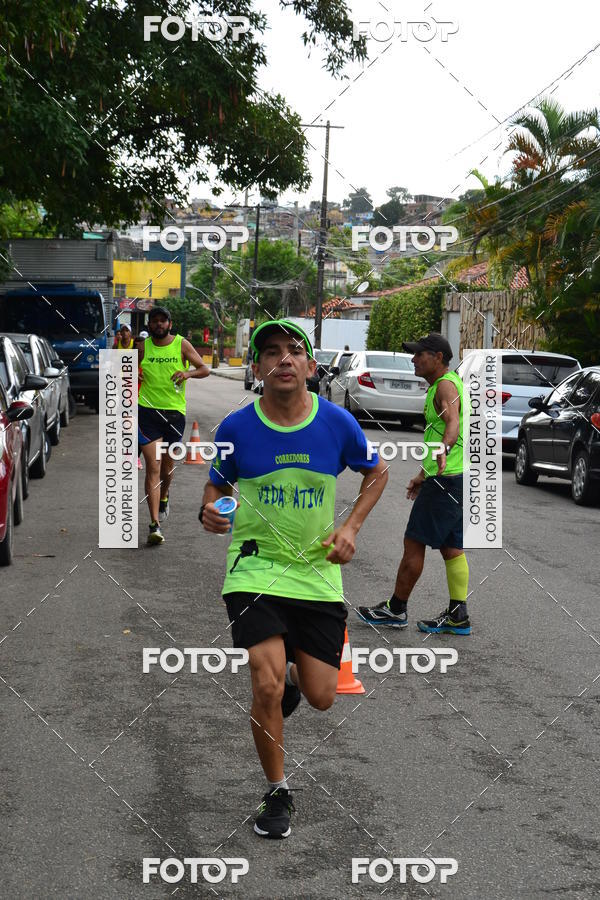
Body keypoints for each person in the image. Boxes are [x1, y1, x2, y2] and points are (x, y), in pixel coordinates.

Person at [200, 319, 388, 839]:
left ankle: (290, 681)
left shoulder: (337, 423)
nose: (283, 359)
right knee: (263, 684)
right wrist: (211, 515)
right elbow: (215, 492)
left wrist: (350, 527)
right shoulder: (237, 429)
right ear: (257, 367)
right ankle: (276, 792)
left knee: (322, 695)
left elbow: (378, 472)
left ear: (309, 366)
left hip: (317, 576)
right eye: (271, 352)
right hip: (253, 570)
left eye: (294, 351)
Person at [356, 332, 471, 635]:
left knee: (413, 542)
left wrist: (443, 452)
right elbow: (439, 432)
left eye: (420, 354)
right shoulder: (447, 384)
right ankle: (458, 614)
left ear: (438, 357)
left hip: (446, 480)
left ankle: (396, 609)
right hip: (454, 478)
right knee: (452, 548)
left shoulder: (445, 386)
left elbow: (452, 424)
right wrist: (423, 473)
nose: (414, 359)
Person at [138, 306, 210, 544]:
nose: (159, 324)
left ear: (169, 324)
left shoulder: (181, 344)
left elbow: (204, 369)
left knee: (167, 469)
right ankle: (154, 525)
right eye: (155, 321)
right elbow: (121, 371)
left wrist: (188, 374)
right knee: (153, 466)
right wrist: (131, 374)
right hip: (147, 412)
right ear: (149, 325)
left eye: (163, 321)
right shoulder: (141, 347)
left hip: (174, 415)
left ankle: (165, 495)